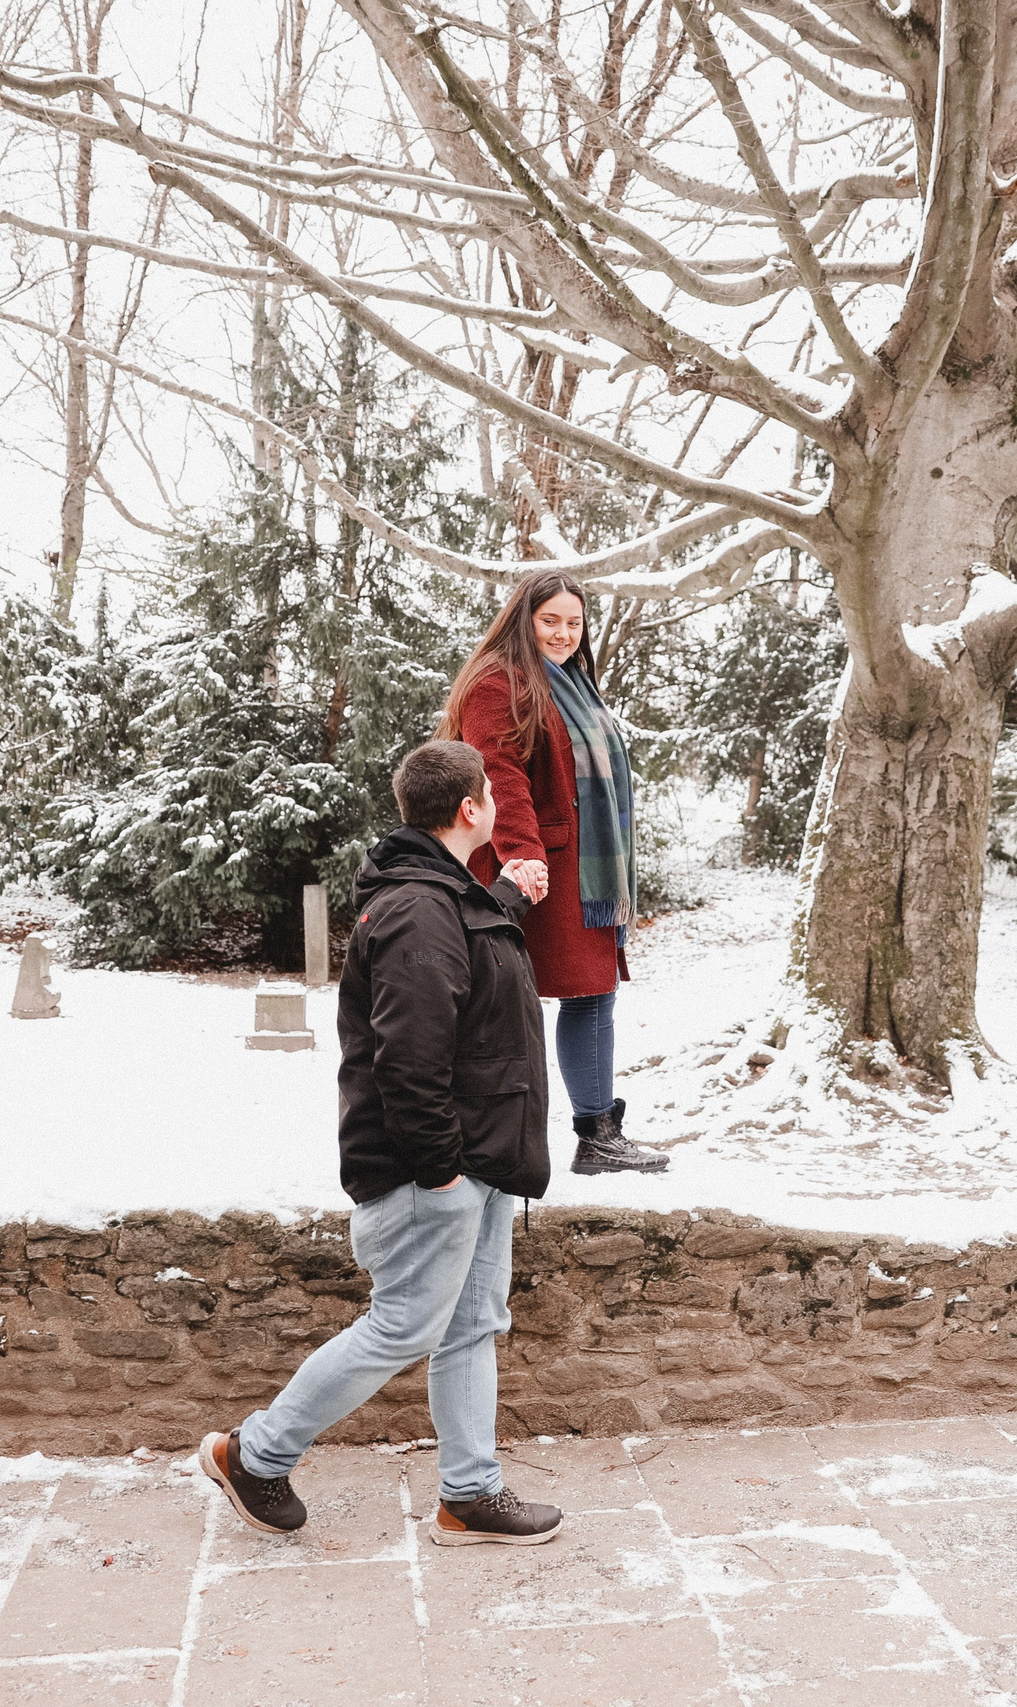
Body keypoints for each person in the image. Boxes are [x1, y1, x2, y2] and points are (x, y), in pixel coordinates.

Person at [198, 739, 565, 1546]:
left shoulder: (440, 895)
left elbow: (461, 982)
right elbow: (411, 1052)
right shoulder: (415, 908)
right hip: (434, 1171)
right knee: (402, 1326)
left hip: (477, 1160)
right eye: (491, 799)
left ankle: (469, 1495)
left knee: (470, 1325)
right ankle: (252, 1454)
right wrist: (440, 1172)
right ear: (471, 808)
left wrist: (505, 897)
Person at [440, 569, 671, 1175]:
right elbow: (499, 774)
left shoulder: (572, 682)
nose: (564, 633)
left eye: (574, 622)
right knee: (502, 1001)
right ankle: (481, 1134)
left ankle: (597, 1134)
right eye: (551, 621)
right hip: (539, 867)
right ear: (524, 618)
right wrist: (522, 856)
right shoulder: (498, 682)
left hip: (585, 872)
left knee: (592, 992)